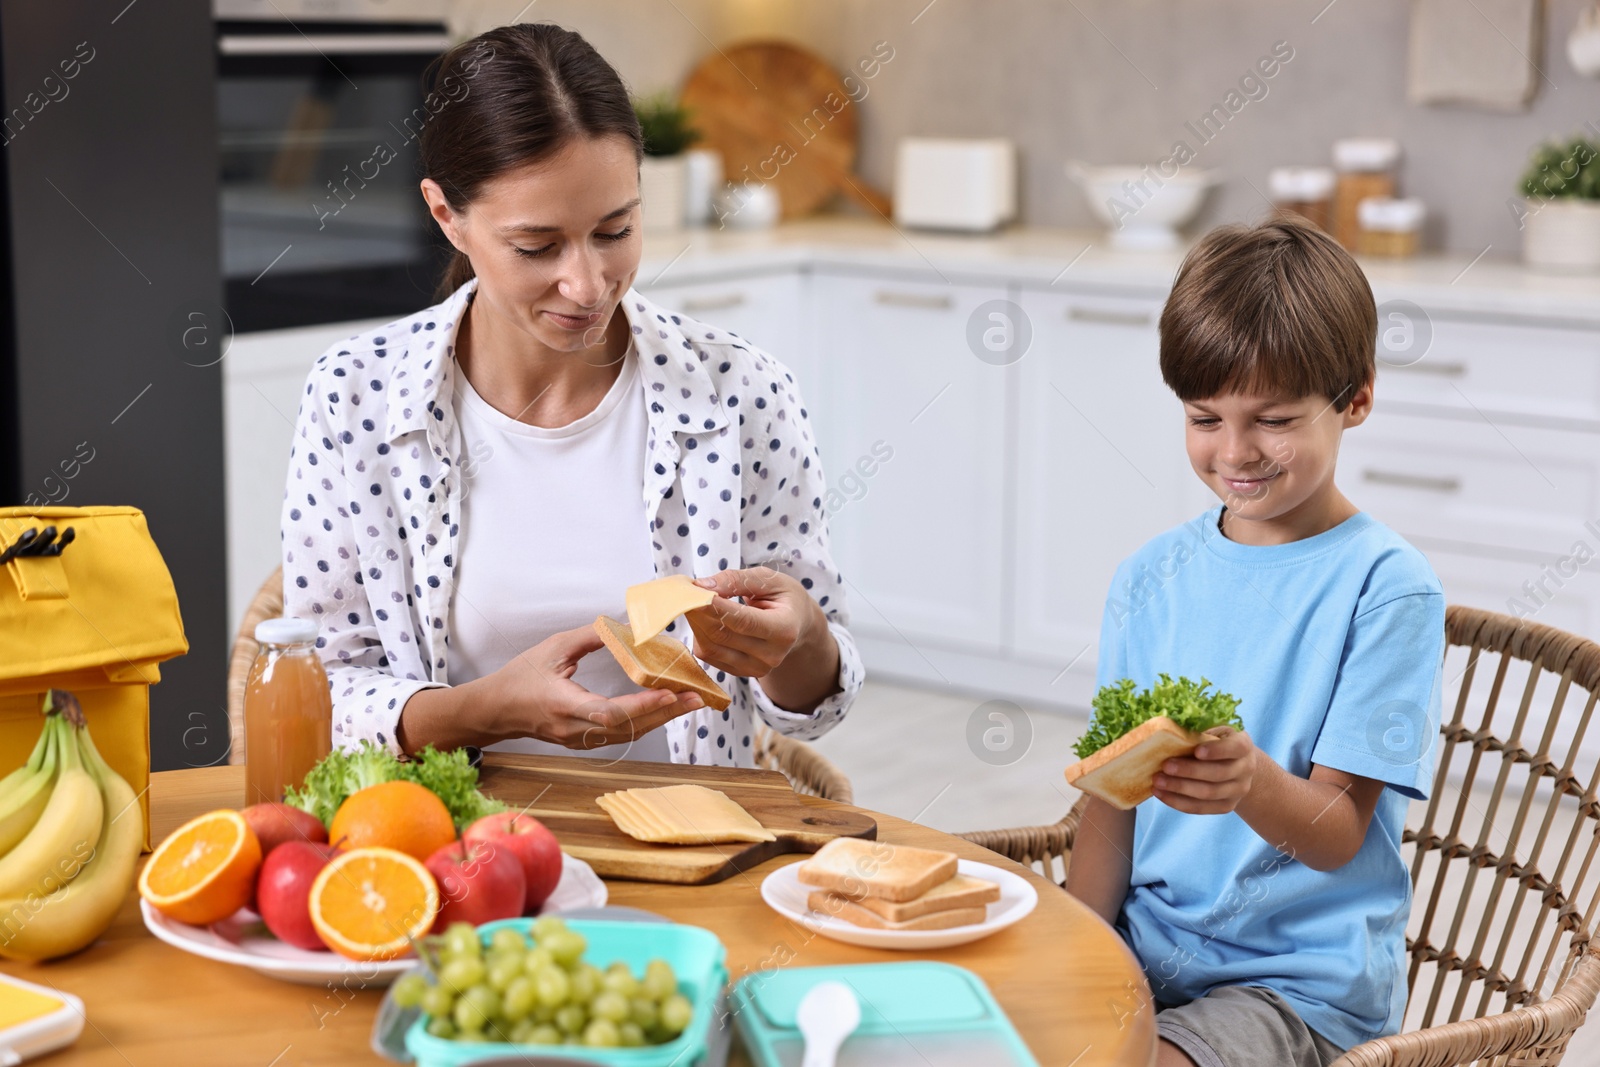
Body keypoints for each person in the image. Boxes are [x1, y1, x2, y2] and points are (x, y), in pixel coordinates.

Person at [279, 24, 861, 766]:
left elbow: (817, 701)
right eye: (537, 246)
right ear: (445, 215)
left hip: (691, 857)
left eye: (615, 229)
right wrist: (480, 711)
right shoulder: (354, 395)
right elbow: (318, 692)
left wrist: (801, 637)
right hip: (453, 853)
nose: (588, 286)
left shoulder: (742, 391)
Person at [1065, 216, 1446, 1067]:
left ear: (1357, 398)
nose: (1234, 451)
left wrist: (1249, 782)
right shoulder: (1148, 577)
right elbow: (1109, 801)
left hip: (1295, 985)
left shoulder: (1387, 588)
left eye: (1273, 419)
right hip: (1144, 948)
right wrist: (1072, 951)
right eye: (1205, 417)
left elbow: (1339, 829)